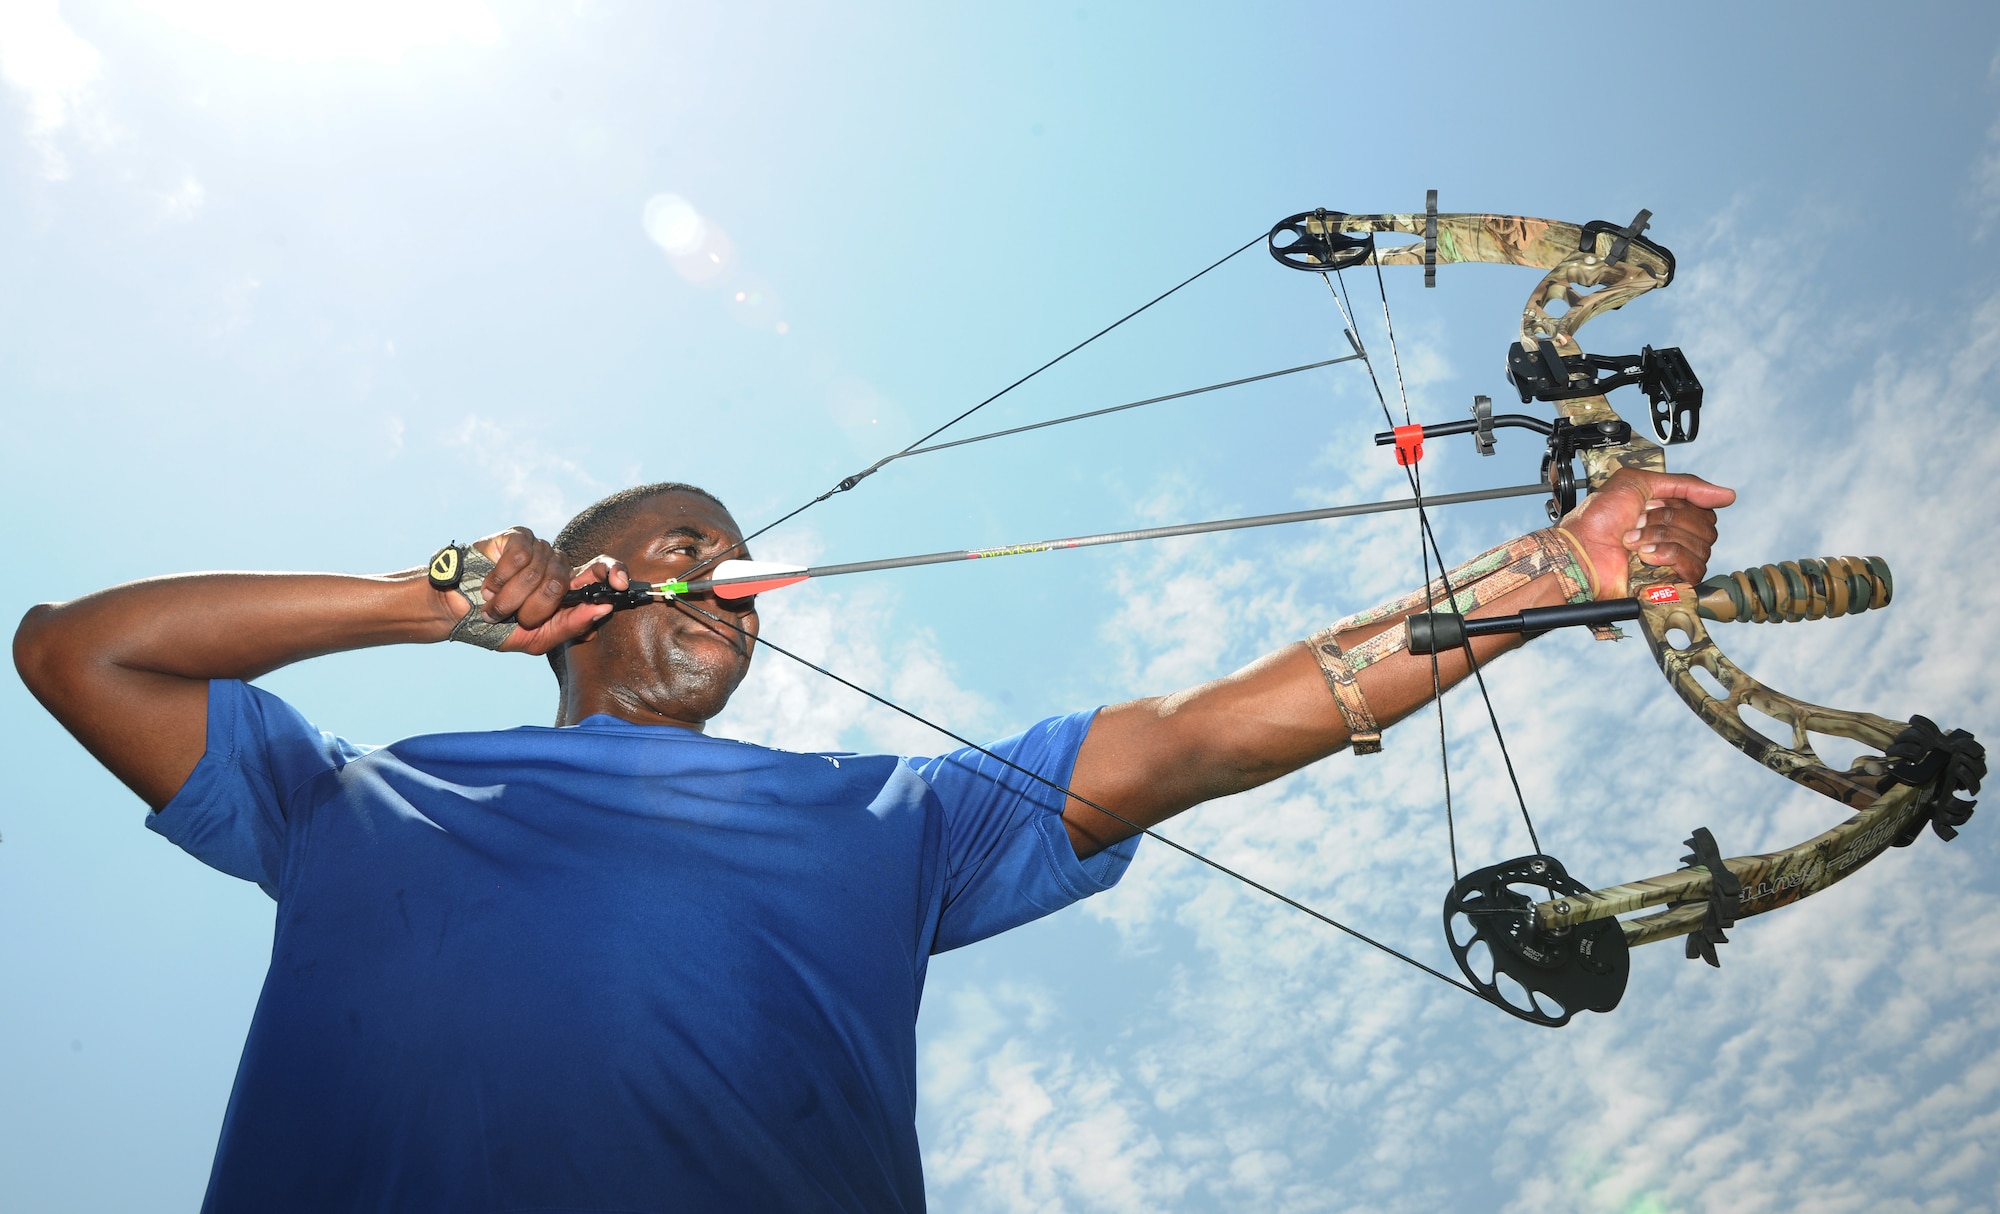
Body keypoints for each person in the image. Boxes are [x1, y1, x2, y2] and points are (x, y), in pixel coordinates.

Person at [12, 467, 1732, 1212]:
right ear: (585, 586)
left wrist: (1541, 579)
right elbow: (75, 651)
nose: (731, 584)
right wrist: (426, 603)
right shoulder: (357, 797)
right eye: (686, 545)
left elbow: (1208, 729)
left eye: (744, 568)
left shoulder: (889, 818)